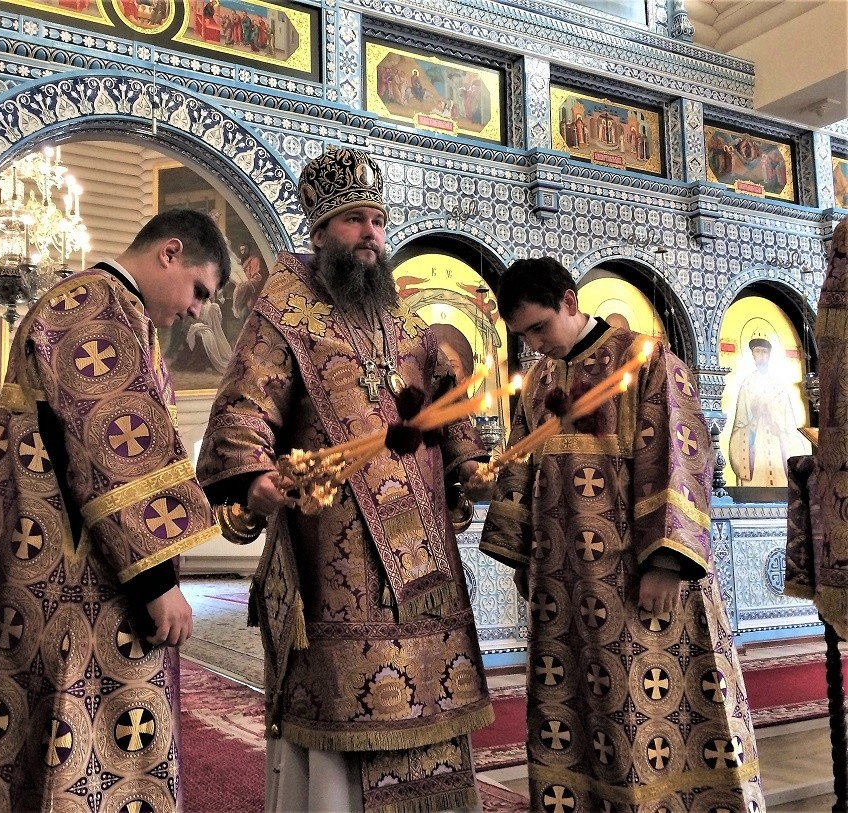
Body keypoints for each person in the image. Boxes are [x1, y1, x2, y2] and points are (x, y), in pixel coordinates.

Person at [0, 209, 231, 813]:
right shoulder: (97, 306)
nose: (198, 311)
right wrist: (157, 583)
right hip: (76, 576)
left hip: (45, 559)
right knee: (78, 739)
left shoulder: (106, 308)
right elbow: (111, 451)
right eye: (199, 291)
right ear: (169, 253)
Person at [198, 146, 494, 812]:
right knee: (344, 706)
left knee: (432, 696)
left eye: (378, 222)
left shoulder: (404, 318)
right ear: (321, 230)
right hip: (336, 554)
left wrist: (470, 463)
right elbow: (245, 404)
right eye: (355, 220)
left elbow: (447, 403)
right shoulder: (285, 310)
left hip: (425, 558)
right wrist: (256, 475)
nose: (371, 234)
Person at [480, 257, 764, 812]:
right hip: (564, 589)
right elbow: (521, 470)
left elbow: (680, 459)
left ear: (569, 302)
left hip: (639, 576)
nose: (535, 344)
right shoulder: (538, 382)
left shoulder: (646, 359)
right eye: (523, 336)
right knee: (586, 709)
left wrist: (667, 563)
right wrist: (521, 557)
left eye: (540, 327)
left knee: (659, 705)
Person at [729, 336, 810, 487]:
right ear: (752, 354)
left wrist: (779, 433)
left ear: (769, 355)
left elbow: (792, 429)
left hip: (779, 454)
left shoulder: (779, 387)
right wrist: (755, 419)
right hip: (755, 457)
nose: (761, 355)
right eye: (757, 351)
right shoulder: (747, 387)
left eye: (764, 352)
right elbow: (738, 429)